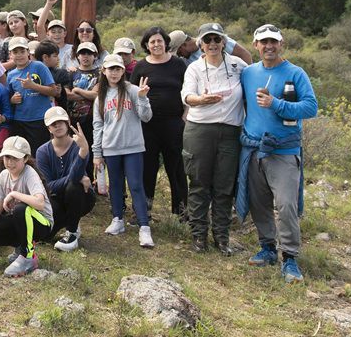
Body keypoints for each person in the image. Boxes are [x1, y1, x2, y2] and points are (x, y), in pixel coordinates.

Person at [238, 24, 317, 283]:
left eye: (273, 41)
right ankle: (268, 248)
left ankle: (290, 258)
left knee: (285, 205)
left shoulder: (295, 73)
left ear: (281, 44)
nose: (269, 46)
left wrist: (276, 104)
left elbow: (311, 107)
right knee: (259, 203)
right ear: (256, 45)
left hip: (284, 151)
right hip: (254, 149)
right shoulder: (248, 73)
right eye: (264, 42)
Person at [181, 23, 247, 255]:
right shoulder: (194, 68)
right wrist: (200, 100)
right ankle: (199, 236)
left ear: (223, 42)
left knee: (224, 186)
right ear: (200, 43)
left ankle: (222, 237)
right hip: (200, 130)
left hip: (230, 132)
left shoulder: (239, 66)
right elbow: (187, 96)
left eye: (216, 40)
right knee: (199, 183)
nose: (212, 44)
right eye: (207, 40)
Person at [0, 136, 54, 277]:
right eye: (7, 157)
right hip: (20, 220)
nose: (10, 162)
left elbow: (40, 203)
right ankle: (20, 247)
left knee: (21, 209)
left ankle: (28, 256)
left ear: (25, 159)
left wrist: (14, 194)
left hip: (42, 222)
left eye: (15, 158)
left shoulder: (29, 173)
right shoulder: (3, 176)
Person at [92, 54, 154, 248]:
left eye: (118, 69)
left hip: (133, 146)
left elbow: (147, 117)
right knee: (116, 186)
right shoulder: (100, 97)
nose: (114, 73)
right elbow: (98, 125)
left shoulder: (134, 90)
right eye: (111, 69)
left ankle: (144, 227)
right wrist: (96, 153)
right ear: (104, 71)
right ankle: (117, 219)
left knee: (136, 185)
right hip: (111, 147)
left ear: (123, 71)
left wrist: (143, 98)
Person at [130, 27, 189, 218]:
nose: (156, 44)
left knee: (176, 166)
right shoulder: (140, 66)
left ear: (166, 43)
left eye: (159, 41)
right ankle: (144, 208)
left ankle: (180, 210)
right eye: (152, 42)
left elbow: (189, 90)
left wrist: (185, 115)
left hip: (174, 123)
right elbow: (132, 94)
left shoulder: (179, 65)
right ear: (146, 45)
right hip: (147, 125)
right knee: (148, 166)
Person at [36, 107, 95, 252]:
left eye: (61, 122)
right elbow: (48, 186)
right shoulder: (42, 151)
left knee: (74, 186)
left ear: (67, 123)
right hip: (56, 199)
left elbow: (75, 180)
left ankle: (72, 232)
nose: (58, 125)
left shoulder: (79, 146)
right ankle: (70, 221)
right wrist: (74, 178)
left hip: (82, 197)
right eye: (53, 123)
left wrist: (83, 152)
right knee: (43, 237)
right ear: (49, 128)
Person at [6, 36, 57, 157]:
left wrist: (33, 86)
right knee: (21, 156)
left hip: (39, 119)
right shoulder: (10, 75)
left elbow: (54, 91)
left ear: (28, 52)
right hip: (19, 121)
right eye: (15, 52)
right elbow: (9, 98)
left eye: (22, 51)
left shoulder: (39, 66)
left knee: (39, 155)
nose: (19, 55)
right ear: (10, 55)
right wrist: (12, 100)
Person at [67, 42, 101, 140]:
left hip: (93, 119)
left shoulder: (100, 74)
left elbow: (96, 95)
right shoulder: (71, 73)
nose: (86, 57)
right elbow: (68, 95)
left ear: (95, 56)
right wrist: (89, 94)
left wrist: (77, 90)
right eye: (83, 53)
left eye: (89, 54)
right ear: (78, 56)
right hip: (73, 119)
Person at [34, 40, 72, 111]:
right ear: (45, 57)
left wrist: (59, 94)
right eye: (55, 56)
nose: (58, 59)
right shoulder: (33, 73)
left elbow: (62, 99)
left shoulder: (59, 73)